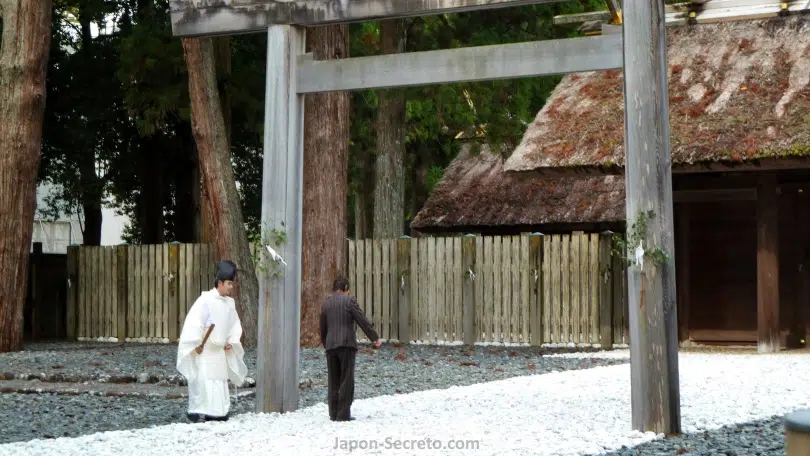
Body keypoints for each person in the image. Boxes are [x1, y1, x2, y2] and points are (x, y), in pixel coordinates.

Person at [176, 260, 248, 423]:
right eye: (229, 283)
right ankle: (198, 410)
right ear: (220, 283)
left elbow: (234, 325)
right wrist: (196, 343)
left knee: (219, 380)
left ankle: (219, 411)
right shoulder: (205, 300)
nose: (231, 287)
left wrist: (232, 340)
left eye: (232, 283)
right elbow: (194, 323)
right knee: (203, 380)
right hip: (206, 347)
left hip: (220, 349)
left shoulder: (230, 304)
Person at [319, 276, 381, 422]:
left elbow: (323, 327)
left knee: (333, 380)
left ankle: (333, 413)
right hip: (347, 345)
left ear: (334, 289)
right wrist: (375, 338)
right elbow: (362, 320)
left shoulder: (326, 303)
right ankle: (343, 414)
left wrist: (326, 343)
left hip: (331, 346)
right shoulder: (349, 301)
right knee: (346, 379)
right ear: (346, 288)